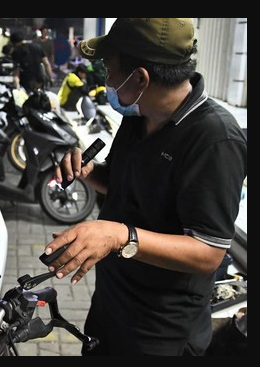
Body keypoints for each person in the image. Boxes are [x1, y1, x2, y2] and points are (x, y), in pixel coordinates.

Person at [43, 18, 247, 356]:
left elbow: (208, 252)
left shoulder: (214, 140)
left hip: (160, 332)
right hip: (112, 307)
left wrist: (119, 236)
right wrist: (88, 171)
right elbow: (128, 184)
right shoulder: (139, 116)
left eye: (109, 69)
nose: (106, 79)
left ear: (140, 78)